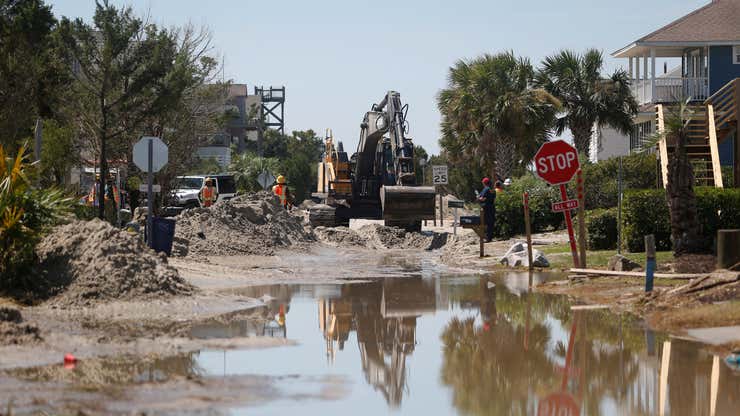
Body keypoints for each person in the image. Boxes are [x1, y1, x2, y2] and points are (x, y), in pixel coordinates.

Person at [478, 177, 496, 242]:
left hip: (486, 208)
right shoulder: (493, 189)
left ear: (484, 183)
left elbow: (483, 198)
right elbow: (494, 199)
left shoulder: (486, 189)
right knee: (491, 223)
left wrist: (478, 198)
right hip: (492, 208)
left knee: (485, 223)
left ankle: (487, 238)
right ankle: (490, 237)